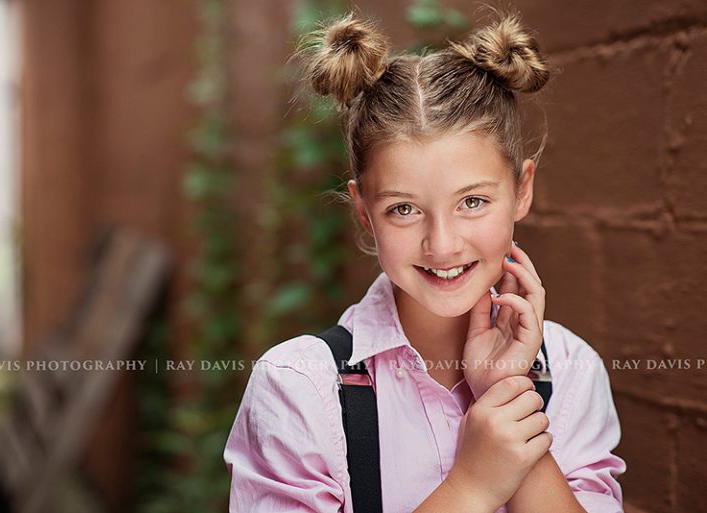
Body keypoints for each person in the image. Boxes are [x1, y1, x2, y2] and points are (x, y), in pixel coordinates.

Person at [223, 7, 626, 513]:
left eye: (472, 202)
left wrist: (507, 397)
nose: (443, 245)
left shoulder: (570, 371)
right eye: (404, 209)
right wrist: (473, 486)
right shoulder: (299, 388)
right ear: (365, 213)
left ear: (522, 190)